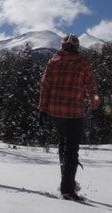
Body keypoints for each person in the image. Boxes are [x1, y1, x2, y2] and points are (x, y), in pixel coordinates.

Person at [39, 34, 100, 201]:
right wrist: (94, 104)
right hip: (74, 112)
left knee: (63, 144)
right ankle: (68, 188)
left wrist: (42, 109)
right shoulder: (83, 63)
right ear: (77, 47)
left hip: (55, 111)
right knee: (71, 150)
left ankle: (66, 180)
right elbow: (91, 86)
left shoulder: (53, 61)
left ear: (63, 46)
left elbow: (45, 86)